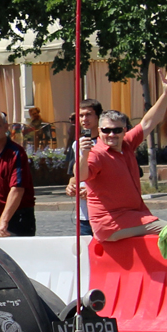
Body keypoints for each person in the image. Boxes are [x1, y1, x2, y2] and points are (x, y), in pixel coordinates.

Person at [78, 68, 167, 242]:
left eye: (116, 130)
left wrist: (166, 94)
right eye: (106, 130)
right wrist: (83, 156)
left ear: (124, 130)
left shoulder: (127, 143)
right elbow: (82, 175)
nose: (111, 135)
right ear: (99, 131)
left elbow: (148, 122)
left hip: (133, 217)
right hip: (111, 224)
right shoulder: (97, 154)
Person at [65, 99, 103, 236]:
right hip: (84, 215)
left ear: (98, 116)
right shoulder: (78, 144)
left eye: (88, 114)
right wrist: (71, 186)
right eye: (81, 116)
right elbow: (74, 176)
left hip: (104, 213)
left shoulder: (107, 142)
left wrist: (91, 190)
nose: (84, 119)